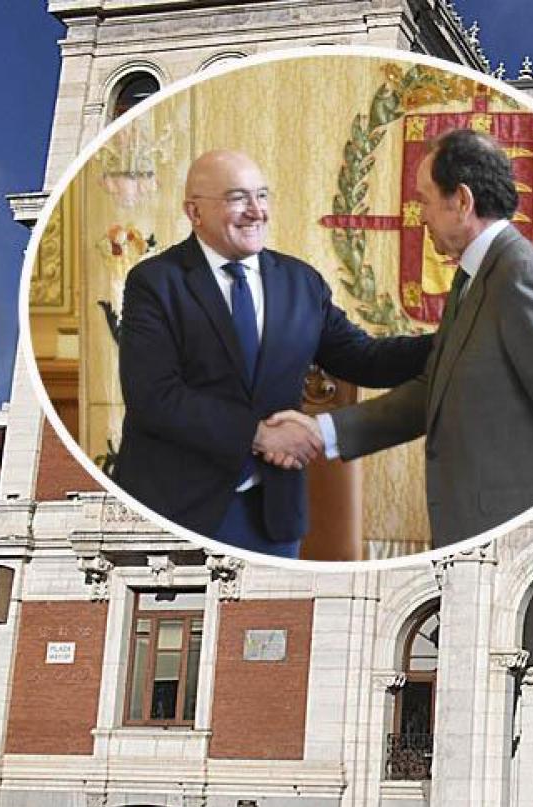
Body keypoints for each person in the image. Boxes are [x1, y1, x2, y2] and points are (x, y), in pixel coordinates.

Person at [292, 128, 533, 548]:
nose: (420, 216)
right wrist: (324, 431)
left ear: (462, 201)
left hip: (516, 539)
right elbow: (435, 390)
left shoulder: (520, 279)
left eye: (425, 200)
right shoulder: (475, 277)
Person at [116, 150, 433, 558]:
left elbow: (365, 359)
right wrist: (258, 434)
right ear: (194, 212)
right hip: (176, 508)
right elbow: (153, 396)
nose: (256, 211)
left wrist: (457, 338)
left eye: (261, 195)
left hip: (272, 516)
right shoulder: (156, 282)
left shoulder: (301, 282)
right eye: (237, 198)